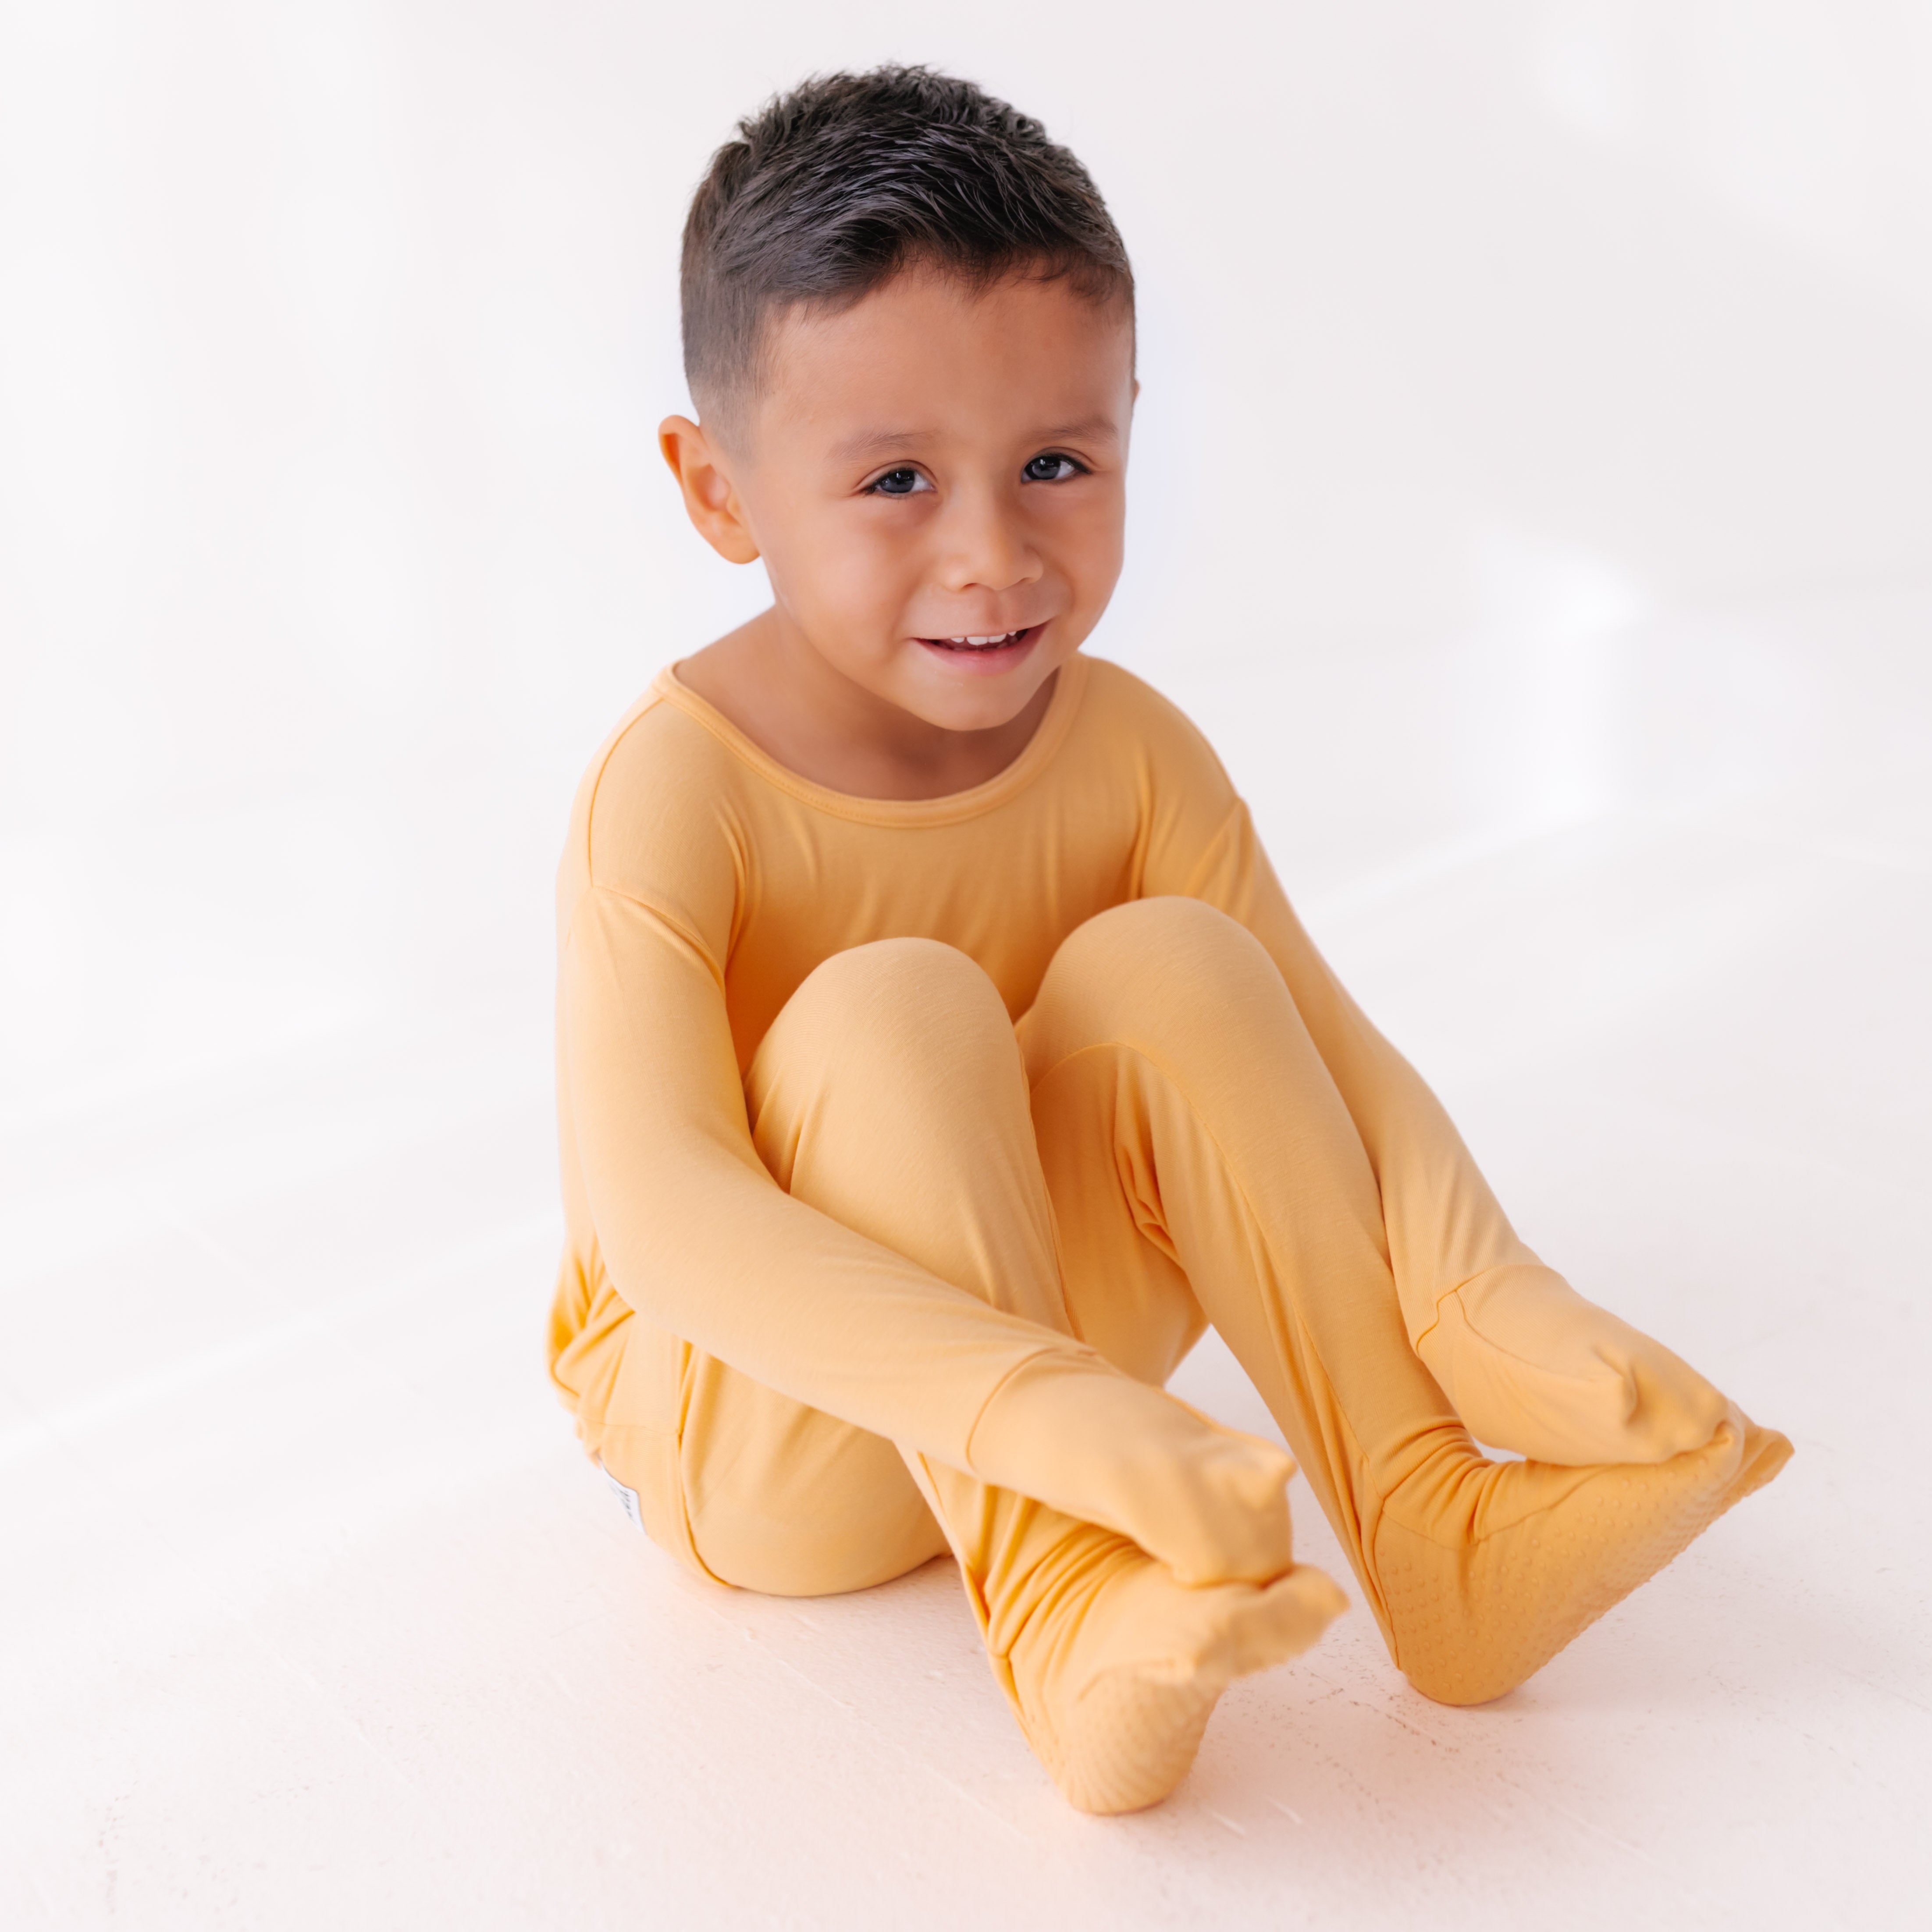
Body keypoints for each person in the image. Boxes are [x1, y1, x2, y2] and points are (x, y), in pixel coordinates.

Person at [546, 65, 1788, 1815]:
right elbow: (665, 1215)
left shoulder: (1127, 748)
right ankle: (1062, 1616)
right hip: (769, 1443)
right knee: (893, 1011)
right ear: (718, 489)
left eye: (1057, 460)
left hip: (1071, 1409)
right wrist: (1052, 1406)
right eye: (896, 477)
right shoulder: (679, 790)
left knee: (1189, 972)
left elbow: (1337, 1064)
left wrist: (1498, 1299)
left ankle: (1422, 1518)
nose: (994, 555)